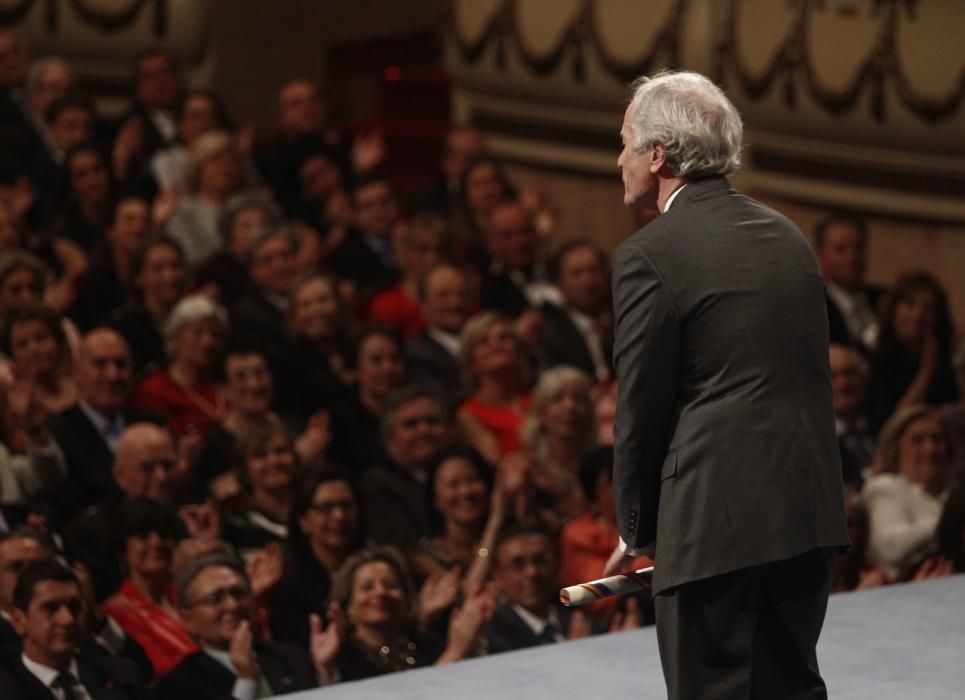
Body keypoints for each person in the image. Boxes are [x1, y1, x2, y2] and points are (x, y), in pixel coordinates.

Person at [603, 70, 849, 699]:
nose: (619, 158)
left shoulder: (649, 254)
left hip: (711, 528)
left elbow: (640, 407)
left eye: (626, 142)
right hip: (805, 512)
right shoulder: (789, 237)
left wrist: (638, 528)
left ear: (657, 155)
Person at [156, 553, 337, 699]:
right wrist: (247, 681)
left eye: (239, 593)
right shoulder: (177, 685)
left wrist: (325, 672)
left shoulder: (290, 657)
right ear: (188, 619)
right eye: (215, 599)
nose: (232, 605)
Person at [329, 545, 494, 681]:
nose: (380, 592)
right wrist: (456, 651)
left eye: (390, 585)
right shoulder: (344, 659)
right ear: (349, 604)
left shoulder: (427, 643)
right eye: (367, 587)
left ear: (406, 597)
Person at [46, 327, 160, 518]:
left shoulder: (151, 424)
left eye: (121, 364)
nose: (113, 375)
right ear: (77, 372)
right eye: (100, 364)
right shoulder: (57, 431)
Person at [1, 559, 149, 699]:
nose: (68, 619)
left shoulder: (122, 675)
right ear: (19, 620)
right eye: (51, 608)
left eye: (74, 607)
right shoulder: (7, 690)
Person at [101, 498, 197, 677]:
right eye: (144, 535)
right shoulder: (117, 611)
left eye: (163, 534)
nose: (156, 542)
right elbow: (160, 669)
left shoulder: (191, 593)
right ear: (122, 549)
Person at [269, 468, 363, 648]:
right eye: (326, 508)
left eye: (346, 505)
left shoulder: (376, 570)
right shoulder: (291, 590)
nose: (339, 516)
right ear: (304, 520)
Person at [861, 405, 953, 581]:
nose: (930, 448)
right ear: (897, 447)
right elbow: (891, 547)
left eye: (937, 439)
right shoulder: (885, 487)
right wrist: (951, 522)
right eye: (918, 440)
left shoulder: (954, 492)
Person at [866, 271, 959, 429]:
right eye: (909, 304)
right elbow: (894, 425)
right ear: (894, 309)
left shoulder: (944, 361)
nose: (918, 315)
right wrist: (926, 372)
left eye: (928, 308)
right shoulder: (875, 360)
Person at [132, 294, 228, 438]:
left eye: (215, 334)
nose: (208, 342)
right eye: (198, 333)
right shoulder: (155, 390)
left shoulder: (226, 384)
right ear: (174, 339)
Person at [457, 311, 533, 463]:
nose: (496, 344)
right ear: (471, 359)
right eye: (484, 341)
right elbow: (495, 463)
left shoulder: (539, 397)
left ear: (518, 350)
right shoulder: (469, 415)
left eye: (504, 337)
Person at [538, 239, 612, 382]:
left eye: (594, 270)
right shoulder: (549, 330)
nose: (588, 281)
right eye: (577, 274)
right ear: (559, 284)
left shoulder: (624, 318)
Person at [814, 212, 885, 352]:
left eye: (858, 247)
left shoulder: (884, 300)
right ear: (821, 255)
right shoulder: (814, 307)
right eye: (841, 249)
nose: (852, 257)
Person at [830, 344, 877, 489]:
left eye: (849, 373)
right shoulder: (815, 439)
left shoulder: (881, 425)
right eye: (833, 375)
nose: (843, 383)